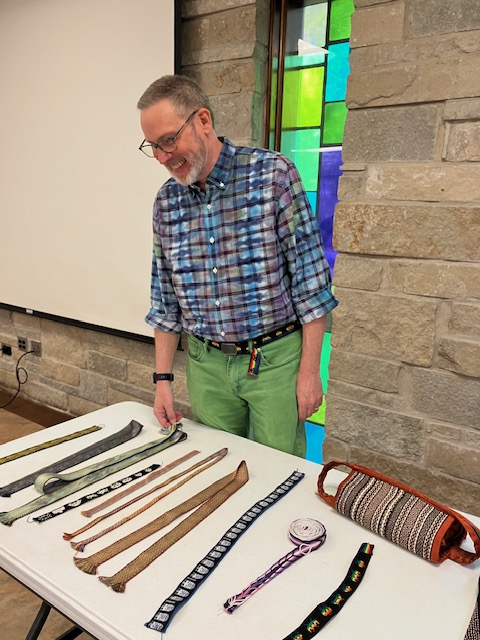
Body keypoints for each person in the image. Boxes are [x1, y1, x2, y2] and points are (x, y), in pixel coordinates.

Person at [138, 74, 338, 457]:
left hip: (275, 361)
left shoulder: (273, 176)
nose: (163, 157)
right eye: (153, 147)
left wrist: (311, 372)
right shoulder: (166, 203)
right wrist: (163, 380)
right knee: (218, 469)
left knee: (280, 475)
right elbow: (164, 302)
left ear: (203, 121)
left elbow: (311, 287)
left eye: (169, 140)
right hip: (205, 365)